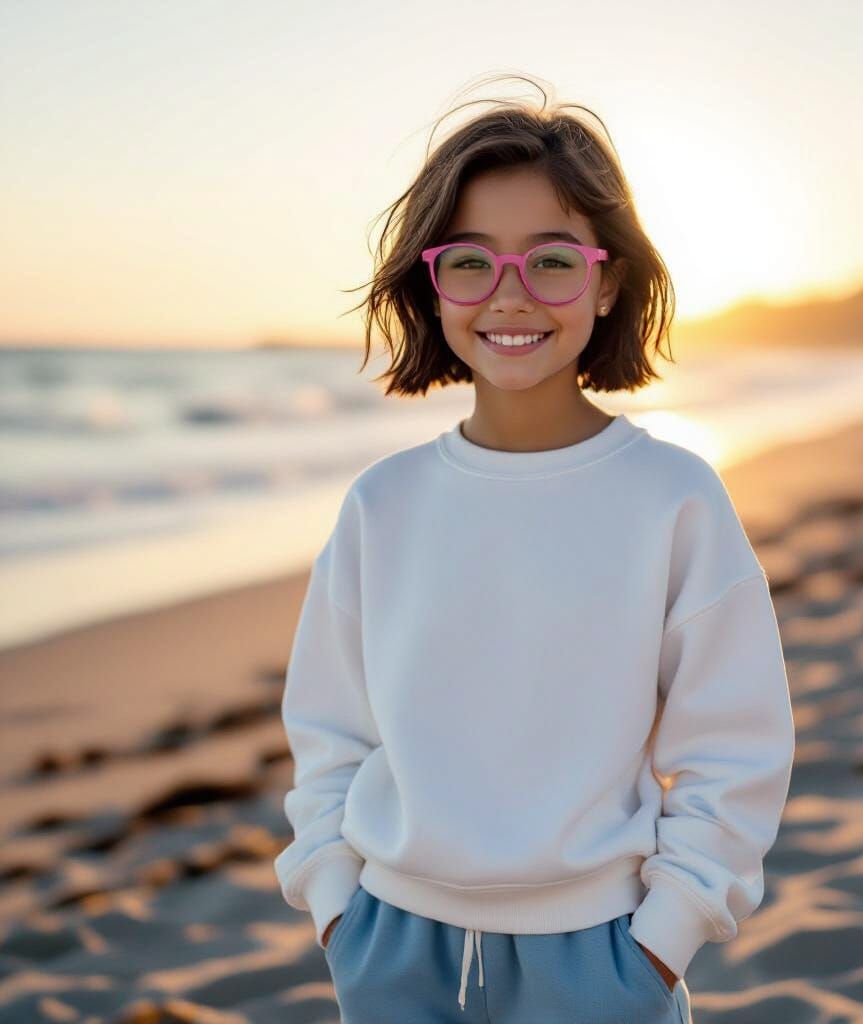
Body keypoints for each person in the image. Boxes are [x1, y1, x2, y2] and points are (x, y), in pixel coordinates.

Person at [273, 78, 795, 1024]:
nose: (509, 296)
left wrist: (662, 944)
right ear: (431, 285)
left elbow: (736, 747)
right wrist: (336, 911)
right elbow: (328, 733)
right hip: (390, 946)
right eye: (470, 261)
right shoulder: (382, 506)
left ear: (607, 281)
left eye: (551, 260)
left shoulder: (673, 498)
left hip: (605, 958)